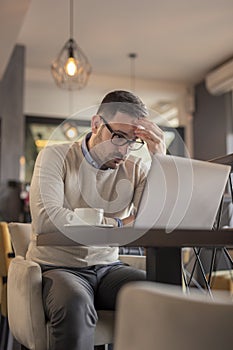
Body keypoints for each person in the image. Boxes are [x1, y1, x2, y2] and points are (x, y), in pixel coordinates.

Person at [26, 90, 166, 350]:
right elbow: (47, 220)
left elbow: (153, 220)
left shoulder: (135, 169)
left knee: (164, 293)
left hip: (107, 268)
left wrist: (160, 156)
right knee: (75, 304)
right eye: (118, 137)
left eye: (134, 141)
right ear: (96, 124)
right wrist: (119, 224)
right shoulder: (55, 156)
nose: (124, 150)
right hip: (57, 267)